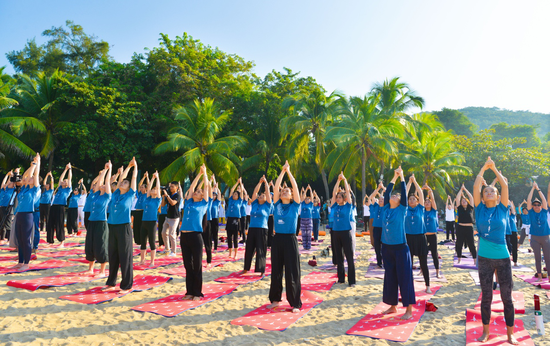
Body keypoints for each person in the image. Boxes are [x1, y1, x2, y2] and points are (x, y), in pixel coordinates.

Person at [473, 157, 517, 345]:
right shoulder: (479, 209)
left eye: (492, 191)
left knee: (507, 297)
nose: (489, 192)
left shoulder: (502, 208)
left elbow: (505, 186)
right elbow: (476, 186)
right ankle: (485, 332)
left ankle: (510, 334)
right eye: (486, 191)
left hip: (503, 258)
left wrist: (495, 169)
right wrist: (484, 167)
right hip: (484, 258)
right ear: (482, 197)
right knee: (486, 296)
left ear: (498, 196)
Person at [381, 166, 415, 320]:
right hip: (386, 248)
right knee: (390, 277)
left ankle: (408, 310)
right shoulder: (386, 208)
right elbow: (387, 192)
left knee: (405, 278)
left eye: (397, 196)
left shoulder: (402, 210)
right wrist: (393, 177)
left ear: (401, 201)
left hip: (401, 249)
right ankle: (392, 306)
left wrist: (402, 177)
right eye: (393, 195)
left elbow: (404, 194)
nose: (393, 196)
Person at [268, 161, 302, 313]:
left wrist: (289, 172)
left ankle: (295, 303)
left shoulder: (295, 206)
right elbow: (275, 188)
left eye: (287, 191)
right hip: (277, 239)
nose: (284, 192)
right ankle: (275, 299)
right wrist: (282, 172)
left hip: (290, 239)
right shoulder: (276, 205)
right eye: (283, 191)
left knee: (292, 271)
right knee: (276, 270)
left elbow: (294, 187)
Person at [104, 158, 138, 294]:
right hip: (112, 227)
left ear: (129, 187)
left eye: (126, 183)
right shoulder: (116, 194)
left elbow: (133, 178)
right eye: (122, 182)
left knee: (125, 257)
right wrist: (126, 169)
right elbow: (119, 181)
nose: (123, 183)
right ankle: (111, 282)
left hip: (124, 228)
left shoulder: (130, 194)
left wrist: (133, 167)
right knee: (113, 255)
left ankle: (127, 285)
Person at [180, 164, 210, 301]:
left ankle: (197, 293)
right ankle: (189, 292)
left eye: (199, 192)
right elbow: (191, 188)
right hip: (184, 236)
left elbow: (207, 189)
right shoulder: (189, 203)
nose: (195, 192)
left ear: (202, 195)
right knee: (188, 265)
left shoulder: (203, 204)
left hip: (196, 236)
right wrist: (198, 174)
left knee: (197, 265)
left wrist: (205, 175)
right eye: (196, 191)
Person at [10, 154, 41, 271]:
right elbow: (25, 176)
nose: (30, 178)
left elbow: (35, 175)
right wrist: (32, 165)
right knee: (20, 239)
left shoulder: (35, 189)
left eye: (32, 178)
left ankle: (26, 263)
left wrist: (36, 164)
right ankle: (20, 262)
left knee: (26, 240)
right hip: (19, 215)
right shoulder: (24, 188)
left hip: (28, 215)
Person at [405, 175, 431, 293]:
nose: (411, 200)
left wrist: (415, 181)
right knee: (408, 263)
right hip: (408, 238)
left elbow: (420, 193)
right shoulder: (405, 209)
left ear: (417, 201)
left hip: (420, 238)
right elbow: (404, 192)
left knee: (423, 263)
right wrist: (409, 183)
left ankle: (428, 286)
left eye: (413, 199)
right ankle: (409, 285)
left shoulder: (420, 208)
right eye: (410, 199)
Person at [85, 162, 112, 277]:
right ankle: (91, 269)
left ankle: (102, 271)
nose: (102, 185)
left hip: (101, 223)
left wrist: (109, 170)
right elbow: (98, 182)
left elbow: (106, 182)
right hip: (92, 222)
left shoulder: (107, 196)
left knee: (100, 245)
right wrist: (104, 170)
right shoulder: (95, 195)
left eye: (104, 185)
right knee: (90, 244)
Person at [330, 172, 356, 287]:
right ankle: (341, 279)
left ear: (344, 198)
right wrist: (338, 180)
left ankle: (352, 281)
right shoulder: (334, 206)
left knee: (349, 257)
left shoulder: (348, 206)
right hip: (335, 233)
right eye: (337, 197)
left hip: (346, 232)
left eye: (340, 197)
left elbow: (349, 195)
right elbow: (333, 192)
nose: (337, 198)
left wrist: (344, 180)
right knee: (339, 257)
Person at [242, 176, 272, 274]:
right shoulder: (254, 204)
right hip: (252, 228)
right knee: (249, 249)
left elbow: (267, 193)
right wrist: (259, 183)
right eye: (260, 195)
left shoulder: (267, 205)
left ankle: (261, 269)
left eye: (262, 196)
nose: (260, 196)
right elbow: (254, 193)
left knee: (261, 249)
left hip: (262, 229)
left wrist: (266, 184)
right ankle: (246, 268)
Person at [526, 182, 550, 281]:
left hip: (545, 238)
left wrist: (538, 189)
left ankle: (549, 276)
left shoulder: (544, 211)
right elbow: (528, 200)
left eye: (538, 204)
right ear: (532, 206)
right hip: (535, 238)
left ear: (541, 206)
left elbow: (544, 200)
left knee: (548, 258)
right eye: (534, 205)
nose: (536, 206)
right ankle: (539, 275)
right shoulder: (531, 213)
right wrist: (532, 189)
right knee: (538, 258)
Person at [139, 171, 162, 267]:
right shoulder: (147, 199)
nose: (153, 190)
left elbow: (158, 187)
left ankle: (152, 262)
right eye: (152, 189)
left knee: (152, 242)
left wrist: (157, 178)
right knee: (143, 242)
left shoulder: (157, 200)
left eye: (154, 190)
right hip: (144, 222)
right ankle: (142, 260)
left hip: (152, 222)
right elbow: (148, 188)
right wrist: (152, 178)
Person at [47, 163, 72, 247]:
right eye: (63, 181)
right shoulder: (60, 188)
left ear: (67, 183)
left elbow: (69, 178)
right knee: (50, 223)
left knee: (59, 224)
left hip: (61, 207)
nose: (63, 181)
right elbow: (61, 178)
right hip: (53, 206)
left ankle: (62, 241)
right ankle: (50, 241)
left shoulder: (68, 189)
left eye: (65, 181)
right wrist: (65, 169)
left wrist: (70, 169)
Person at [455, 184, 477, 264]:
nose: (463, 201)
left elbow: (471, 197)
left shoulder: (470, 208)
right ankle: (459, 259)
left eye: (464, 200)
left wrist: (465, 189)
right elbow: (457, 198)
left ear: (467, 202)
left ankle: (475, 260)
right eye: (462, 201)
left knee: (471, 244)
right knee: (459, 243)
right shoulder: (459, 208)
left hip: (469, 228)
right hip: (460, 227)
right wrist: (461, 189)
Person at [423, 183, 440, 278]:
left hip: (433, 235)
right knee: (423, 254)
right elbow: (419, 199)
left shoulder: (434, 211)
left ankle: (437, 272)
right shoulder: (422, 211)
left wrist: (429, 188)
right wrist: (420, 189)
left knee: (434, 254)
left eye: (428, 202)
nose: (427, 203)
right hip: (424, 236)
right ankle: (422, 270)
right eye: (426, 202)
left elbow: (432, 199)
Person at [160, 180, 181, 257]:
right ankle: (167, 249)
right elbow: (162, 205)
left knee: (171, 234)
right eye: (170, 186)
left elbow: (172, 203)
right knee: (163, 233)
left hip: (175, 217)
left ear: (176, 187)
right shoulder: (169, 195)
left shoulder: (177, 196)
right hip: (168, 217)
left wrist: (167, 196)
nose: (171, 188)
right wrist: (163, 197)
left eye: (172, 186)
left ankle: (174, 251)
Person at [226, 179, 244, 259]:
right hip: (229, 219)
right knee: (229, 237)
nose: (234, 195)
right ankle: (230, 253)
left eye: (236, 194)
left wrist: (240, 184)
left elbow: (242, 192)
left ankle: (235, 254)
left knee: (235, 238)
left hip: (236, 220)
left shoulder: (239, 201)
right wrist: (236, 183)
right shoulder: (230, 200)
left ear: (238, 196)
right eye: (233, 194)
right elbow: (232, 189)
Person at [369, 183, 385, 268]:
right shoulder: (376, 206)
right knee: (377, 246)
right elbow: (371, 197)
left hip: (384, 229)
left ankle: (385, 261)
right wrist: (378, 189)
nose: (380, 200)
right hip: (376, 229)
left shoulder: (386, 207)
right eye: (380, 199)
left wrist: (385, 190)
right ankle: (379, 262)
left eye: (382, 199)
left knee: (384, 247)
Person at [0, 170, 17, 244]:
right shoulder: (3, 190)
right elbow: (3, 183)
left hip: (9, 208)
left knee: (8, 224)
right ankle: (2, 238)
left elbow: (13, 182)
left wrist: (13, 175)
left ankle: (9, 239)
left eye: (9, 183)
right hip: (1, 208)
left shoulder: (12, 190)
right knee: (1, 223)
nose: (7, 184)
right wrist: (7, 175)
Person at [132, 172, 149, 246]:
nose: (141, 188)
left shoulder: (147, 194)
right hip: (137, 212)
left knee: (141, 227)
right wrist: (144, 177)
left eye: (143, 187)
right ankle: (137, 241)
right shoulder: (140, 194)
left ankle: (142, 241)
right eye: (141, 187)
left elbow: (149, 185)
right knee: (136, 226)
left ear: (145, 188)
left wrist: (147, 177)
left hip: (143, 212)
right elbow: (139, 184)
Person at [300, 185, 314, 250]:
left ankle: (309, 246)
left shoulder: (311, 204)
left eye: (308, 199)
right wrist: (305, 190)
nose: (307, 200)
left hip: (309, 220)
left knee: (309, 233)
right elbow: (302, 197)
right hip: (302, 219)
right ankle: (304, 246)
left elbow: (312, 196)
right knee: (303, 233)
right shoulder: (303, 203)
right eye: (306, 199)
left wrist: (310, 190)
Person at [507, 201, 519, 267]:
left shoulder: (513, 216)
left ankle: (515, 261)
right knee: (508, 248)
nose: (509, 212)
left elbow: (513, 209)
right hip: (507, 233)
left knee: (514, 248)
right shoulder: (505, 217)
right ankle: (507, 261)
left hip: (514, 232)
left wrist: (509, 202)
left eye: (510, 211)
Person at [210, 184, 221, 251]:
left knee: (215, 233)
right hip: (209, 219)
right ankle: (210, 246)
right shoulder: (209, 201)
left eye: (214, 195)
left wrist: (217, 187)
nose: (213, 196)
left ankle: (215, 247)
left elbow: (219, 193)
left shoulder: (217, 202)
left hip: (215, 218)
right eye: (212, 195)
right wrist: (212, 187)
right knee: (209, 233)